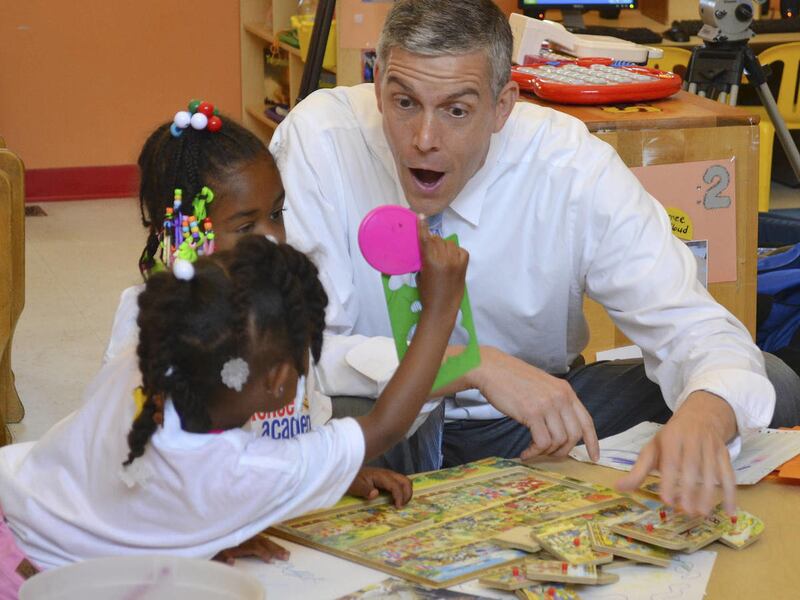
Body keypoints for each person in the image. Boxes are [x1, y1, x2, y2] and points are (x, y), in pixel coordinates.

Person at [270, 0, 800, 518]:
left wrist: (706, 416)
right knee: (327, 415)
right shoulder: (320, 139)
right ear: (380, 80)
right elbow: (299, 354)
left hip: (531, 425)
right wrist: (470, 365)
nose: (423, 140)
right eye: (404, 102)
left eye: (457, 109)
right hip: (389, 420)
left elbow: (696, 327)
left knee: (764, 384)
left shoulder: (568, 164)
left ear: (504, 106)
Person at [0, 229, 467, 591]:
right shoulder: (237, 471)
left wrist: (213, 529)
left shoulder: (147, 367)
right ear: (279, 380)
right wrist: (440, 311)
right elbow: (385, 427)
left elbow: (139, 494)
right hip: (41, 583)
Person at [104, 103, 413, 561]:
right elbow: (143, 464)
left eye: (277, 213)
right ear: (183, 233)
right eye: (247, 225)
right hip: (191, 538)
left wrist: (337, 473)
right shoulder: (151, 321)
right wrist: (206, 535)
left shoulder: (277, 300)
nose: (272, 238)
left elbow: (303, 419)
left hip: (283, 519)